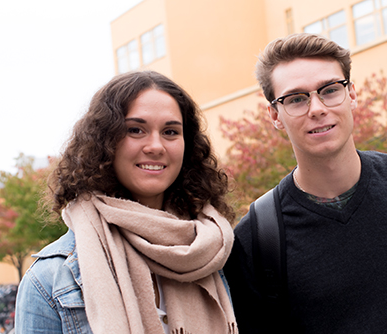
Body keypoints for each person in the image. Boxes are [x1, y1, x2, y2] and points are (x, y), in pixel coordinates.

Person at [223, 33, 387, 333]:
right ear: (275, 114)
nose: (316, 108)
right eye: (296, 99)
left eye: (329, 90)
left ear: (351, 95)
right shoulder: (256, 239)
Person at [15, 71, 238, 334]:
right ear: (105, 142)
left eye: (170, 131)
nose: (155, 146)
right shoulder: (49, 279)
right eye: (135, 130)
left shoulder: (215, 251)